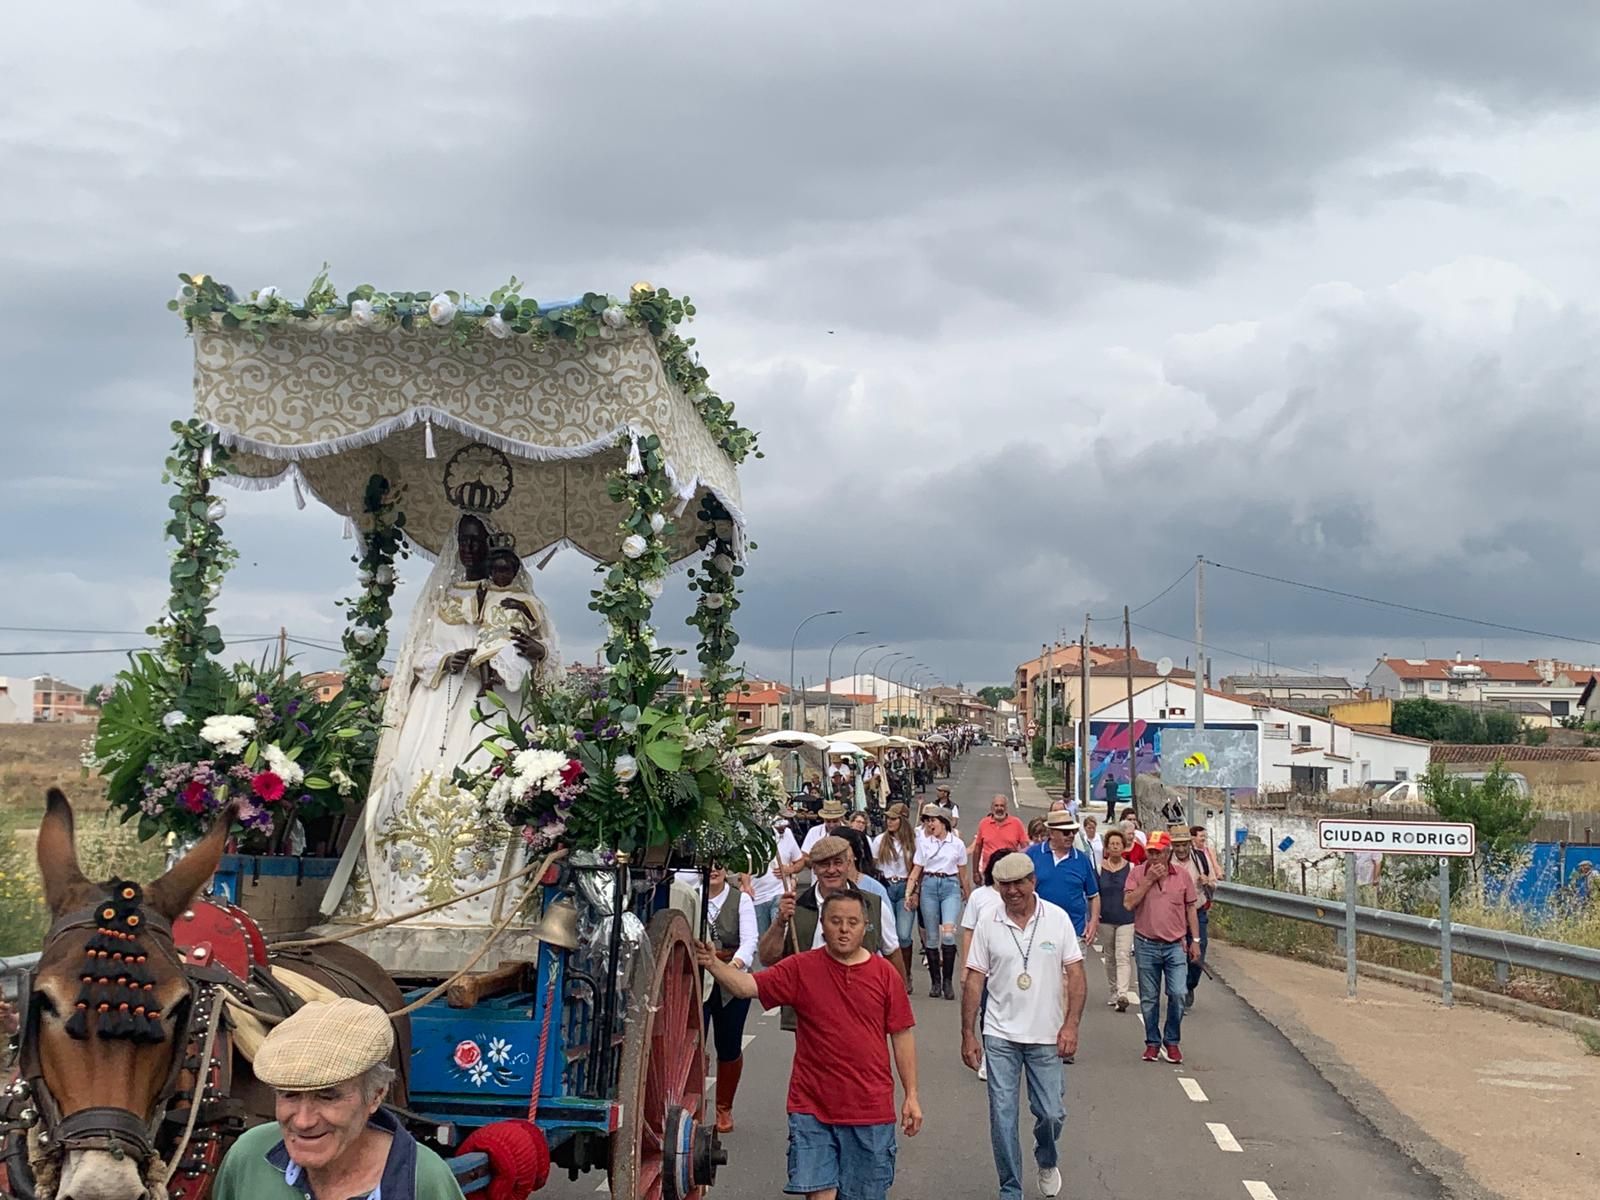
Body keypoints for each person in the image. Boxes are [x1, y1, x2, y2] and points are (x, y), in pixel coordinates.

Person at [344, 512, 554, 925]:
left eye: (478, 540)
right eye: (464, 540)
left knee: (499, 790)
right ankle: (409, 894)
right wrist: (446, 659)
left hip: (499, 709)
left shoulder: (517, 599)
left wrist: (537, 652)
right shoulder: (441, 600)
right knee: (411, 781)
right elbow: (417, 655)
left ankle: (493, 899)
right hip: (440, 705)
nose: (470, 548)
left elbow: (544, 652)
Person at [698, 887, 921, 1200]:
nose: (844, 930)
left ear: (865, 927)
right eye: (835, 921)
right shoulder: (801, 968)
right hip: (812, 1108)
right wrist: (712, 963)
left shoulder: (885, 975)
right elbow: (748, 986)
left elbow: (901, 1034)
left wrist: (911, 1095)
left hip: (870, 1110)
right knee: (819, 1194)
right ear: (822, 925)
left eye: (852, 922)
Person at [214, 998, 465, 1200]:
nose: (303, 1121)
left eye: (327, 1097)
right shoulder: (249, 1157)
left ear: (376, 1095)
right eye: (289, 1095)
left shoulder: (424, 1179)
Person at [961, 853, 1086, 1200]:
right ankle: (1010, 1188)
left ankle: (1046, 1159)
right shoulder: (989, 921)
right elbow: (974, 979)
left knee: (1051, 1114)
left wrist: (1071, 1025)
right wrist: (968, 1033)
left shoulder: (1057, 919)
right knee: (1002, 1117)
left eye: (1019, 883)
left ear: (1033, 882)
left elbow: (1076, 974)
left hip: (1046, 1035)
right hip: (999, 1033)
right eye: (1005, 885)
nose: (1012, 891)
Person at [759, 836, 900, 968]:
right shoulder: (795, 908)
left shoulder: (874, 906)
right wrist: (779, 922)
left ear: (848, 864)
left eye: (838, 863)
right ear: (814, 868)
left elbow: (893, 954)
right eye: (824, 864)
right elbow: (767, 959)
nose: (831, 870)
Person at [690, 864, 758, 1133]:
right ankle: (690, 1108)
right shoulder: (691, 896)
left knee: (728, 1045)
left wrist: (733, 967)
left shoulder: (741, 900)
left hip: (731, 977)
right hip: (698, 977)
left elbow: (750, 940)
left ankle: (724, 1107)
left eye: (719, 865)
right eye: (708, 866)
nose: (714, 871)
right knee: (693, 1043)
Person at [1025, 812, 1097, 1061]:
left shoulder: (1081, 860)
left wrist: (1093, 922)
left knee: (1068, 984)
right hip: (1038, 930)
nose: (1070, 836)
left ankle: (1064, 1037)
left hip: (1073, 930)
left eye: (1073, 832)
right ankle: (1037, 1032)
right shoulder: (1033, 855)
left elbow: (1093, 895)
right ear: (1051, 832)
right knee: (1041, 982)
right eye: (1065, 832)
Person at [1125, 830, 1200, 1064]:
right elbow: (1128, 903)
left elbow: (1191, 908)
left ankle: (1172, 1040)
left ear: (1168, 853)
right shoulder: (1137, 874)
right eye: (1151, 852)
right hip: (1146, 943)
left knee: (1178, 993)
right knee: (1149, 998)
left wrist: (1195, 941)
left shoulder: (1182, 876)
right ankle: (1152, 1043)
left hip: (1175, 945)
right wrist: (1148, 881)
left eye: (1158, 852)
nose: (1154, 857)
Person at [906, 804, 971, 999]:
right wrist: (909, 893)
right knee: (932, 937)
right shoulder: (924, 843)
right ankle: (936, 982)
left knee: (949, 935)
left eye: (933, 820)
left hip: (950, 886)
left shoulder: (957, 844)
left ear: (943, 822)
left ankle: (947, 982)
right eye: (927, 821)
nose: (929, 824)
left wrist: (969, 897)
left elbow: (963, 874)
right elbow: (916, 871)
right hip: (929, 886)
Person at [872, 804, 918, 992]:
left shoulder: (914, 842)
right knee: (887, 934)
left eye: (893, 819)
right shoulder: (880, 840)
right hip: (886, 886)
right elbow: (874, 866)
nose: (889, 822)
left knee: (904, 935)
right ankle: (891, 977)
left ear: (903, 820)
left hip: (906, 887)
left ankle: (906, 973)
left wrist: (915, 892)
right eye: (888, 819)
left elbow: (919, 869)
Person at [1096, 829, 1138, 1010]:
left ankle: (1122, 993)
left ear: (1123, 847)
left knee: (1123, 955)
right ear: (1106, 847)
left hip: (1126, 918)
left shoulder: (1131, 868)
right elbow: (1094, 894)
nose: (1115, 847)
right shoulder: (1099, 869)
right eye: (1111, 844)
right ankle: (1113, 990)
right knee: (1110, 956)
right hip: (1105, 918)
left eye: (1118, 844)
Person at [1173, 826, 1215, 1009]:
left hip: (1197, 913)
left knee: (1199, 951)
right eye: (1177, 845)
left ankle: (1190, 985)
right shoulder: (1167, 861)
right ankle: (1179, 990)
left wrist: (1208, 881)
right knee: (1176, 954)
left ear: (1189, 844)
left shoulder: (1200, 859)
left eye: (1184, 845)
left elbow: (1214, 883)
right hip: (1174, 915)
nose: (1181, 849)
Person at [969, 794, 1030, 876]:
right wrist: (975, 872)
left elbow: (1025, 848)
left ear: (1006, 808)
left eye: (1002, 806)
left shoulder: (1016, 823)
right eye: (996, 805)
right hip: (989, 872)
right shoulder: (984, 823)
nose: (999, 808)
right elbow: (977, 848)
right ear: (992, 808)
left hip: (1010, 872)